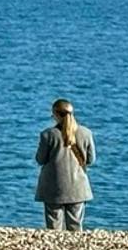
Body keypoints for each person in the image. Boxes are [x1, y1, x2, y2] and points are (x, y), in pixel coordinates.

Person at [35, 98, 96, 230]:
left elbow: (40, 160)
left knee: (53, 227)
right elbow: (90, 160)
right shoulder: (86, 133)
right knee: (75, 227)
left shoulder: (47, 135)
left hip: (53, 187)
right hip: (78, 186)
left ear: (56, 114)